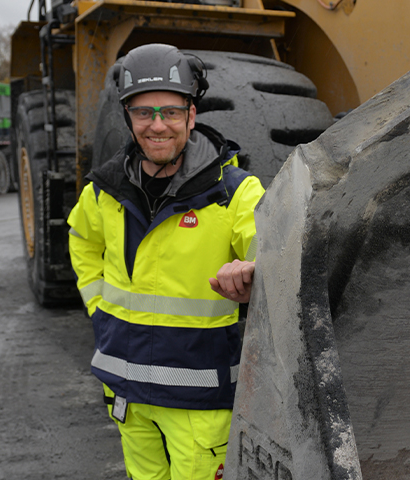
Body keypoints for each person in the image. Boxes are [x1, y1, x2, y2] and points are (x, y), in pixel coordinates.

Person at [67, 43, 264, 479]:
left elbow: (274, 251)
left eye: (171, 112)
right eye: (143, 113)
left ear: (192, 116)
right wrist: (99, 310)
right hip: (127, 394)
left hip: (197, 401)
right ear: (128, 118)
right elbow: (82, 241)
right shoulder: (104, 191)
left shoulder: (235, 193)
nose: (157, 125)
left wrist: (253, 272)